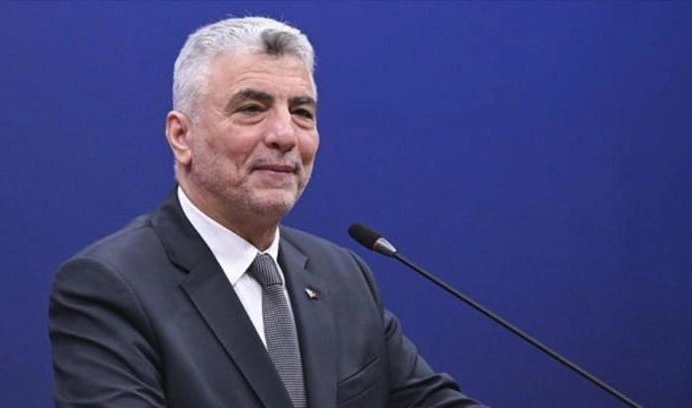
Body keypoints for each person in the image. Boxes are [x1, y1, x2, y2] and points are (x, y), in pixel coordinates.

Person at [49, 16, 485, 407]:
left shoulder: (343, 276)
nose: (285, 135)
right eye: (252, 109)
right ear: (181, 136)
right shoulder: (110, 286)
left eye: (301, 112)